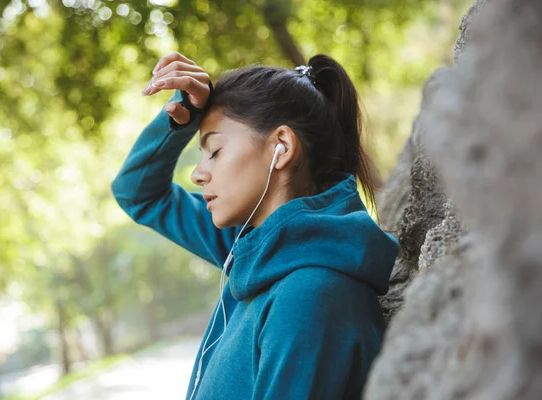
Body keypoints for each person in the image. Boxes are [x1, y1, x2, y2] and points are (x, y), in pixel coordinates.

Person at [111, 51, 400, 400]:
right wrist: (184, 119)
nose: (198, 174)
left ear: (281, 146)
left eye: (214, 150)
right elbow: (138, 194)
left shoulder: (311, 297)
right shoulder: (251, 249)